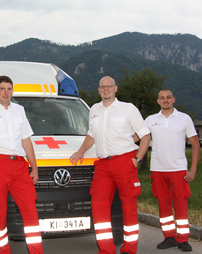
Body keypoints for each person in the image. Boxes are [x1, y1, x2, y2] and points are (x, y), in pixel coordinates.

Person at [70, 76, 150, 254]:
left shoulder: (128, 109)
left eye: (109, 86)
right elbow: (92, 135)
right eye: (102, 87)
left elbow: (145, 135)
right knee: (98, 205)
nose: (106, 89)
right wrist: (81, 151)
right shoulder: (94, 110)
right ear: (99, 90)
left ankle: (129, 250)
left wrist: (138, 159)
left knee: (128, 206)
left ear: (115, 88)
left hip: (125, 161)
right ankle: (106, 249)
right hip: (103, 165)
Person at [0, 75, 43, 254]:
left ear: (13, 91)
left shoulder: (19, 110)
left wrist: (34, 167)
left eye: (9, 89)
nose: (6, 92)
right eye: (2, 89)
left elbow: (26, 140)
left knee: (30, 210)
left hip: (20, 166)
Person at [145, 89, 200, 252]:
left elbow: (196, 145)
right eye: (162, 98)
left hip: (178, 169)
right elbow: (137, 137)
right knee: (163, 204)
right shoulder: (150, 120)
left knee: (181, 203)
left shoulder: (184, 118)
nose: (165, 100)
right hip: (157, 169)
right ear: (158, 101)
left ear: (173, 99)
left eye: (168, 97)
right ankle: (169, 237)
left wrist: (193, 170)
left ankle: (183, 239)